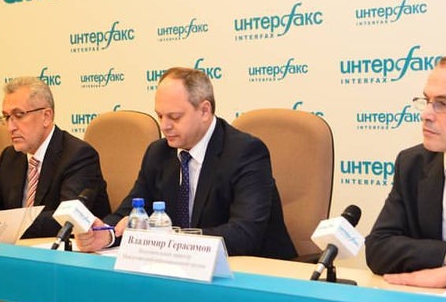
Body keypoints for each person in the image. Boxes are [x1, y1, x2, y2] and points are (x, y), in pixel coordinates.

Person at [76, 67, 296, 258]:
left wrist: (166, 238)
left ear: (204, 111)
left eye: (175, 117)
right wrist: (106, 234)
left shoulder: (245, 152)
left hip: (253, 273)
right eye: (160, 116)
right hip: (181, 269)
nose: (165, 126)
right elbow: (131, 211)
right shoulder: (158, 153)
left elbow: (245, 234)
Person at [0, 76, 110, 238]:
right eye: (6, 117)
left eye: (19, 115)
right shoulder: (10, 157)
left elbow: (66, 219)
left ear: (46, 116)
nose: (10, 127)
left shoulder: (78, 155)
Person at [365, 54, 446, 292]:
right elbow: (379, 248)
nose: (426, 114)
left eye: (443, 104)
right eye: (427, 100)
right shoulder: (412, 164)